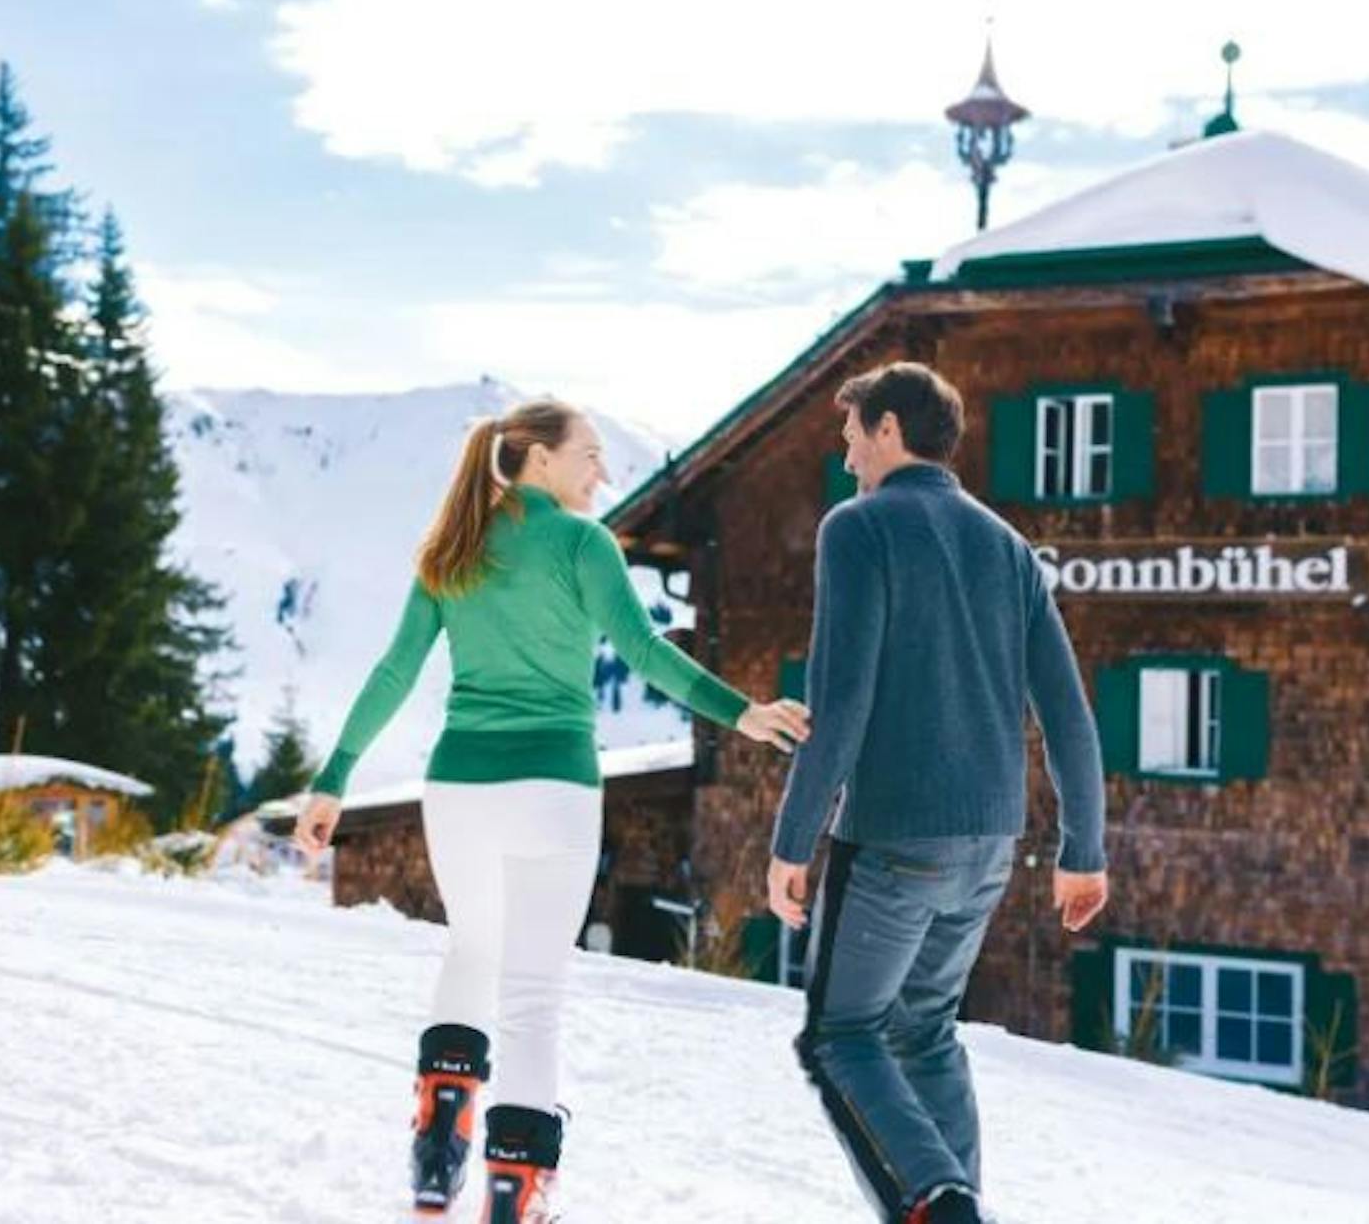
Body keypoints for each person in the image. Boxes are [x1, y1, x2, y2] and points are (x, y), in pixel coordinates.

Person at [292, 398, 810, 1223]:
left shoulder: (453, 548)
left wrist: (334, 779)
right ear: (537, 458)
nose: (602, 473)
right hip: (555, 789)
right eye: (590, 455)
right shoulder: (581, 543)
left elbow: (395, 670)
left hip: (459, 786)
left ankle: (437, 1148)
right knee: (531, 992)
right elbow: (645, 653)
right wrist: (743, 712)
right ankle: (514, 1193)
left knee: (473, 949)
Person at [765, 362, 1110, 1224]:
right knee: (923, 1032)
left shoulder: (860, 530)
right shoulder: (1007, 546)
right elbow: (1068, 713)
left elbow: (840, 703)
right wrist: (1083, 853)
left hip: (891, 841)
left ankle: (939, 1203)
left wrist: (793, 838)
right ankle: (961, 1205)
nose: (846, 457)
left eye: (851, 436)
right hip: (989, 845)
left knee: (842, 1035)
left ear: (889, 428)